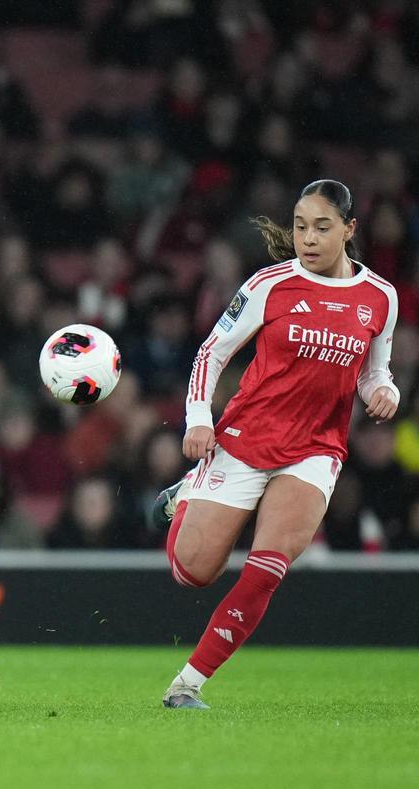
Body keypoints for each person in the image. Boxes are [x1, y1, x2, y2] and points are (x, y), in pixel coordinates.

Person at [150, 180, 399, 709]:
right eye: (300, 226)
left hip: (316, 448)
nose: (308, 238)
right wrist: (198, 419)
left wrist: (384, 391)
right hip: (245, 438)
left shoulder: (380, 297)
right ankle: (185, 494)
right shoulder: (269, 284)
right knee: (193, 571)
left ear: (350, 230)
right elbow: (210, 354)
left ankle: (187, 685)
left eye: (322, 227)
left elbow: (374, 372)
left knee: (269, 565)